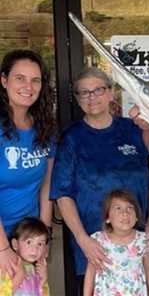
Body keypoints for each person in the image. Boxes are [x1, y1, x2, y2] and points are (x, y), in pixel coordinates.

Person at [49, 67, 149, 294]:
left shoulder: (133, 131)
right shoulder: (72, 138)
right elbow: (63, 195)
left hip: (134, 245)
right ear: (77, 99)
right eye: (84, 92)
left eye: (98, 90)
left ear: (111, 93)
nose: (91, 97)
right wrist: (83, 240)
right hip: (94, 249)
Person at [0, 50, 55, 280]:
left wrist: (42, 238)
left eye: (35, 80)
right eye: (19, 78)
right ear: (4, 80)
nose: (28, 86)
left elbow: (46, 188)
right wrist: (3, 248)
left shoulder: (44, 128)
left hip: (27, 239)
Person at [83, 189, 149, 296]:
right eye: (118, 208)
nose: (125, 213)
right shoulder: (98, 240)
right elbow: (90, 271)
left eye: (130, 208)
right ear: (107, 218)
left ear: (136, 217)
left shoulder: (143, 240)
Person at [0, 217, 50, 296]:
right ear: (15, 244)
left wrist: (43, 280)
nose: (35, 248)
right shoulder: (9, 266)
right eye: (29, 242)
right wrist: (17, 279)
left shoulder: (34, 270)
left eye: (40, 244)